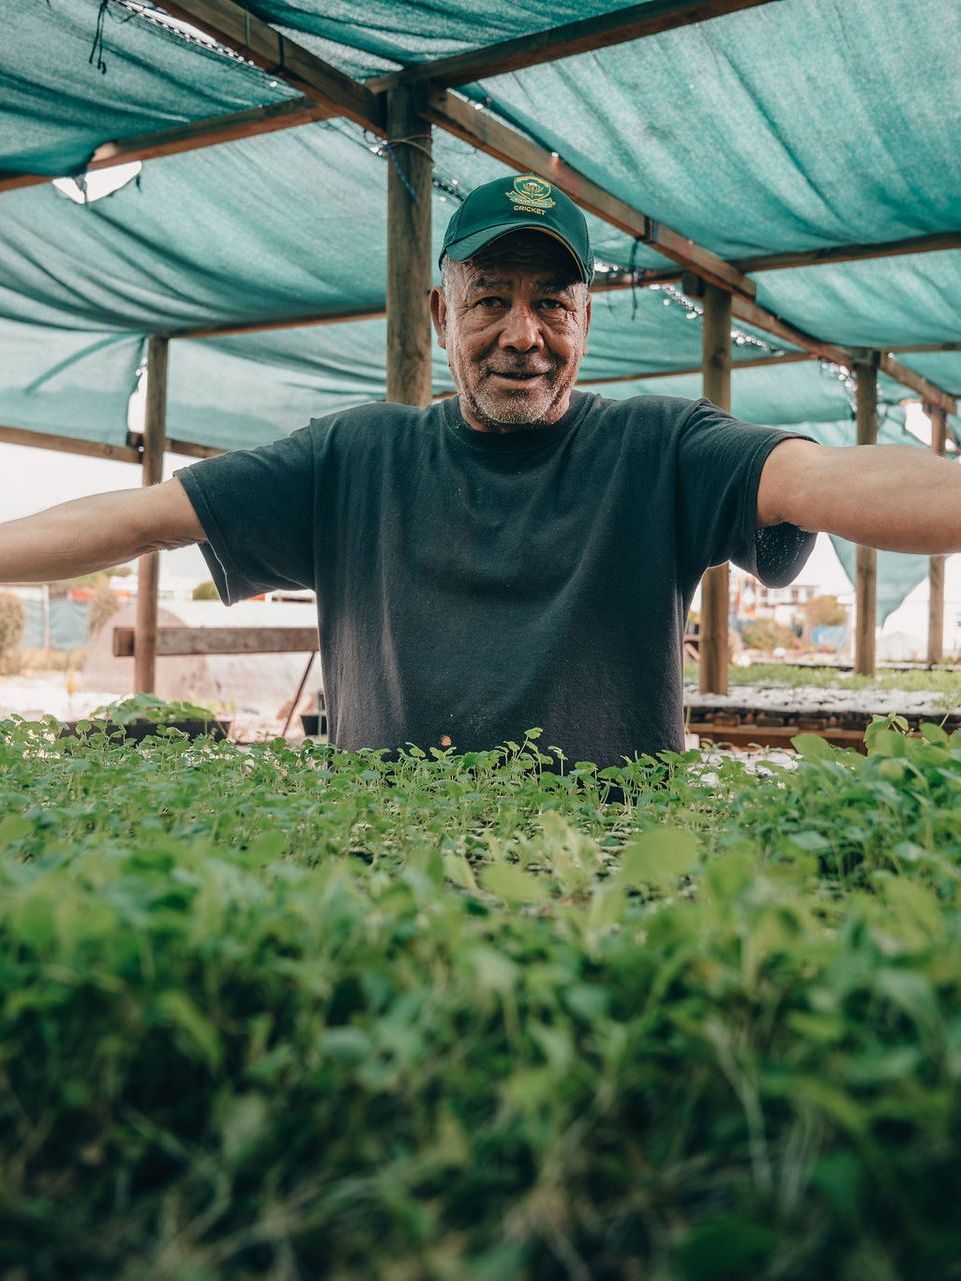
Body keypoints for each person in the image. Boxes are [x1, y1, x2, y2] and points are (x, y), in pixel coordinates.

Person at [1, 175, 957, 765]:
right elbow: (146, 518)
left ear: (585, 320)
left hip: (613, 881)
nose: (522, 335)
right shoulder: (354, 456)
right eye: (489, 298)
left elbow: (827, 480)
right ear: (437, 315)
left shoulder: (657, 448)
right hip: (390, 881)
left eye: (553, 303)